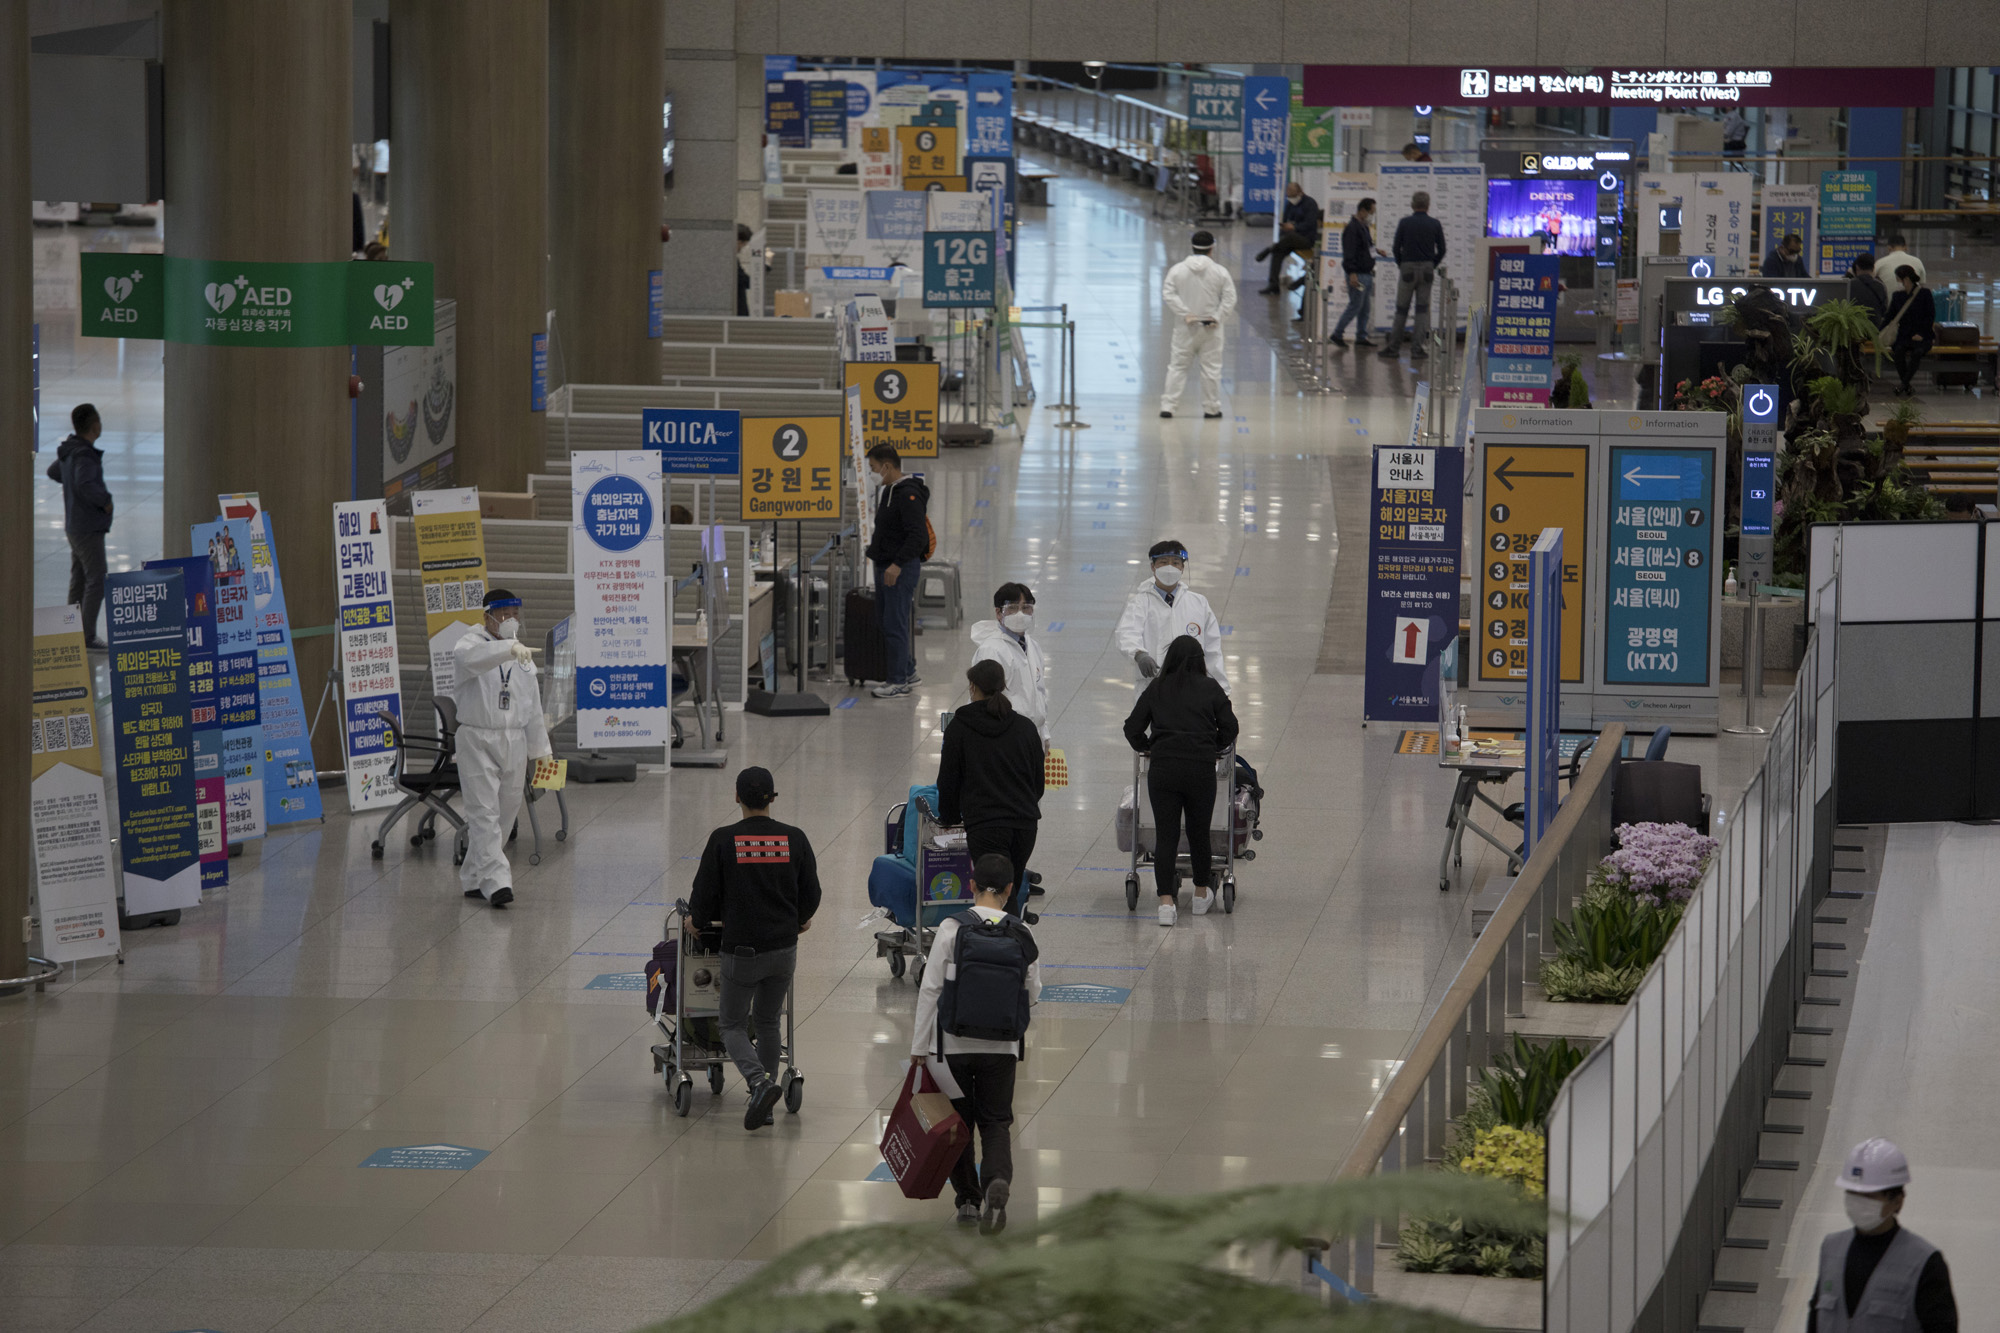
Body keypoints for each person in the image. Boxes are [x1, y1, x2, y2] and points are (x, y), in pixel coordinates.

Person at [910, 851, 1040, 1235]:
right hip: (1000, 1048)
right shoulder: (1022, 932)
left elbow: (931, 990)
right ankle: (996, 1180)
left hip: (952, 1045)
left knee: (958, 1124)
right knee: (997, 1121)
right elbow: (1033, 992)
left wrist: (919, 1048)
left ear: (971, 884)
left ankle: (967, 1199)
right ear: (1010, 889)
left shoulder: (952, 929)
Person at [689, 765, 822, 1131]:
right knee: (766, 1022)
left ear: (736, 797)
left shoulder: (723, 839)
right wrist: (801, 918)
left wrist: (695, 922)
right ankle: (762, 1105)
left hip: (742, 951)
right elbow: (812, 893)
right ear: (772, 798)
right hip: (783, 950)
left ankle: (760, 1084)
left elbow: (704, 893)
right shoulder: (794, 838)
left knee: (731, 1024)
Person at [1123, 635, 1239, 926]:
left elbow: (1132, 727)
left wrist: (1148, 747)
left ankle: (1165, 903)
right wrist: (1213, 746)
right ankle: (1200, 895)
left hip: (1163, 770)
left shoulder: (1157, 688)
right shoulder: (1210, 688)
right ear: (1200, 661)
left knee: (1167, 835)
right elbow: (1231, 727)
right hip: (1199, 769)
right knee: (1199, 832)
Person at [451, 590, 553, 909]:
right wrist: (508, 649)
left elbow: (533, 708)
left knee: (507, 811)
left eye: (515, 613)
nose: (511, 619)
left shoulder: (523, 659)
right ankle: (498, 882)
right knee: (484, 813)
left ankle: (472, 878)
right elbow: (472, 659)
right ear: (488, 616)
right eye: (504, 613)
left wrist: (543, 754)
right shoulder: (469, 644)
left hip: (515, 739)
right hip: (477, 738)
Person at [1807, 1138, 1956, 1332]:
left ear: (1897, 1201)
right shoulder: (1831, 1248)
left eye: (1869, 1196)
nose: (1858, 1201)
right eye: (1852, 1192)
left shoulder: (1924, 1263)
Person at [936, 661, 1046, 922]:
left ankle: (996, 946)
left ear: (973, 687)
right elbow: (1037, 782)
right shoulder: (1025, 727)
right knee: (1010, 888)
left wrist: (948, 816)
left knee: (992, 895)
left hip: (985, 826)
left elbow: (948, 780)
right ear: (1003, 687)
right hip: (1024, 826)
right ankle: (1010, 942)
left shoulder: (959, 728)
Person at [1115, 539, 1229, 692]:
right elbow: (1127, 633)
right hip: (1153, 685)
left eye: (1175, 563)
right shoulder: (1140, 603)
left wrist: (1222, 690)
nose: (1169, 568)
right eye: (1163, 562)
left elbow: (1212, 649)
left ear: (1182, 568)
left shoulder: (1198, 603)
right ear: (1153, 567)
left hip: (1192, 688)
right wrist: (1139, 654)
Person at [863, 444, 929, 698]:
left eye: (873, 468)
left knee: (895, 623)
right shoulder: (889, 491)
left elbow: (918, 536)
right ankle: (909, 671)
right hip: (886, 566)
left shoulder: (908, 494)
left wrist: (897, 564)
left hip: (898, 569)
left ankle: (898, 681)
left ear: (887, 466)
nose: (872, 473)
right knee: (886, 620)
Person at [48, 403, 112, 649]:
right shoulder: (84, 454)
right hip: (87, 526)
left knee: (80, 577)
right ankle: (86, 635)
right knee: (97, 577)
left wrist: (71, 479)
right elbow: (85, 483)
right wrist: (104, 501)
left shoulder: (70, 451)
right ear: (95, 426)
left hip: (74, 525)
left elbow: (54, 471)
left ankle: (70, 628)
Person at [1159, 230, 1237, 421]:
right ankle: (1211, 409)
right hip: (1212, 329)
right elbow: (1229, 298)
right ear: (1212, 248)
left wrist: (1186, 313)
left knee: (1177, 367)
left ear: (1192, 246)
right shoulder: (1220, 272)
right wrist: (1217, 317)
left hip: (1185, 328)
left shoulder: (1177, 270)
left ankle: (1168, 407)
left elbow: (1168, 294)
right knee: (1211, 370)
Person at [969, 583, 1051, 750]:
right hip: (1005, 740)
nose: (1020, 614)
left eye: (1026, 608)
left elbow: (1039, 692)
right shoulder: (991, 651)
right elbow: (982, 702)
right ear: (999, 612)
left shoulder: (1032, 646)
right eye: (1013, 608)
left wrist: (1044, 733)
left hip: (1031, 737)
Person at [1380, 190, 1446, 361]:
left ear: (1412, 204)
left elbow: (1396, 248)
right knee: (1422, 311)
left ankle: (1393, 348)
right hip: (1427, 269)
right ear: (1428, 205)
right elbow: (1442, 249)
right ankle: (1417, 350)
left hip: (1407, 268)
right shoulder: (1435, 224)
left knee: (1401, 310)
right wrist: (1432, 264)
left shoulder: (1404, 223)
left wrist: (1402, 264)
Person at [1329, 196, 1381, 349]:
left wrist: (1377, 252)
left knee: (1365, 308)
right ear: (1363, 211)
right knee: (1355, 305)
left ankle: (1361, 336)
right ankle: (1337, 334)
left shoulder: (1363, 227)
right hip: (1357, 274)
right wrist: (1352, 273)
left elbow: (1367, 248)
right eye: (1371, 212)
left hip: (1366, 273)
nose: (1372, 215)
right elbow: (1349, 253)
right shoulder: (1352, 229)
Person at [1256, 181, 1321, 295]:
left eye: (1291, 193)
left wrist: (1294, 227)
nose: (1288, 195)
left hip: (1306, 239)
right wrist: (1285, 229)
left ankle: (1268, 250)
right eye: (1288, 193)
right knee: (1278, 252)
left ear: (1299, 192)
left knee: (1290, 236)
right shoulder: (1290, 204)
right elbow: (1285, 222)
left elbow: (1310, 224)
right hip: (1289, 240)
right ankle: (1274, 285)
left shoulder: (1310, 203)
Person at [1881, 265, 1936, 398]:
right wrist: (1878, 330)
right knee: (1898, 352)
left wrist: (1922, 334)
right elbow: (1890, 316)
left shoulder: (1925, 294)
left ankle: (1903, 385)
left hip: (1923, 336)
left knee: (1917, 353)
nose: (1898, 282)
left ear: (1906, 279)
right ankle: (1906, 385)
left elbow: (1930, 316)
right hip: (1904, 335)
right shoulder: (1898, 296)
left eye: (1898, 279)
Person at [1849, 253, 1891, 325]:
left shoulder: (1849, 285)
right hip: (1875, 328)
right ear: (1873, 268)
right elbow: (1884, 309)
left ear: (1857, 267)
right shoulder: (1880, 286)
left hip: (1854, 328)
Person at [735, 222, 754, 316]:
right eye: (742, 244)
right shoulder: (731, 261)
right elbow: (746, 281)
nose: (742, 248)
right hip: (737, 309)